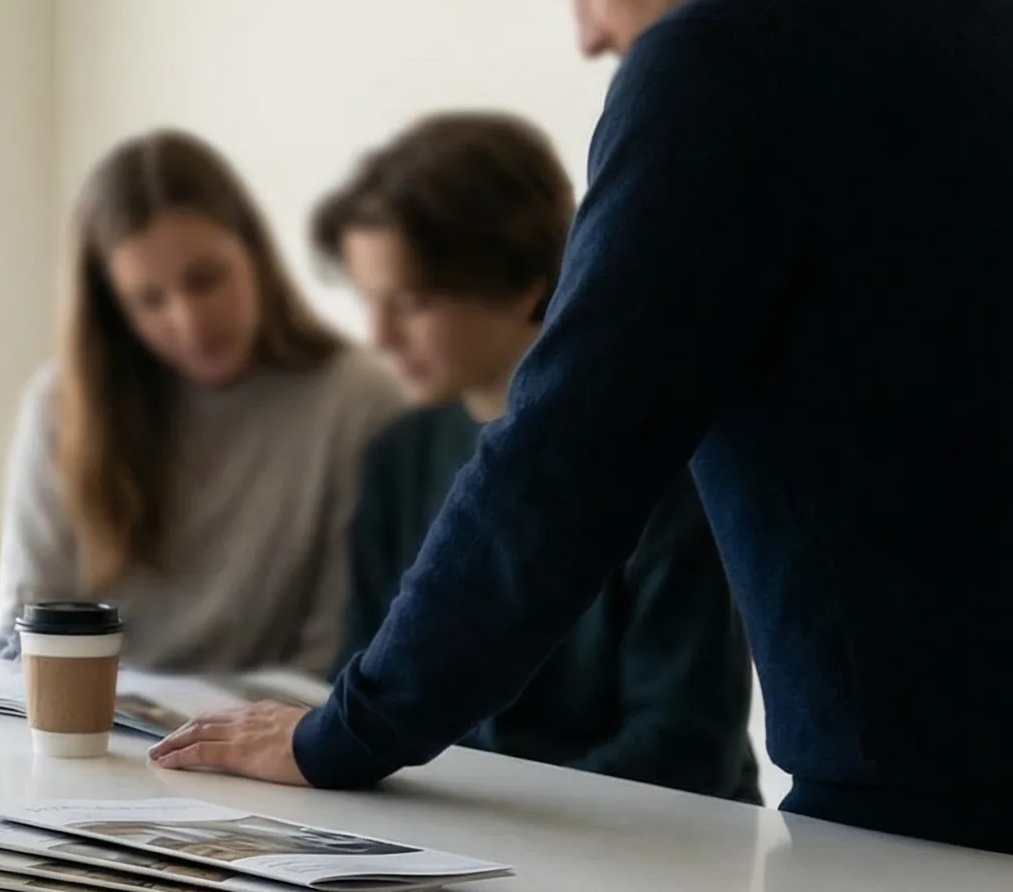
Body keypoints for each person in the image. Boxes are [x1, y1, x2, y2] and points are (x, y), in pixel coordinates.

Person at [152, 0, 1013, 862]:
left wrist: (347, 731)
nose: (587, 33)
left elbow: (569, 448)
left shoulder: (727, 57)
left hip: (928, 851)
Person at [317, 113, 757, 802]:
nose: (377, 334)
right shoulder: (399, 455)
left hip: (660, 863)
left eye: (412, 301)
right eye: (368, 301)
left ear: (524, 282)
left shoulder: (669, 467)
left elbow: (684, 748)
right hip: (462, 843)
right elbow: (356, 687)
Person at [0, 131, 402, 675]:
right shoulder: (61, 406)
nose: (189, 322)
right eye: (150, 300)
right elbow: (26, 639)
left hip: (270, 745)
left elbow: (342, 658)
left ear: (253, 253)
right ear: (114, 311)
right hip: (90, 734)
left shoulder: (358, 400)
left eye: (206, 280)